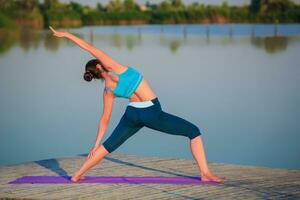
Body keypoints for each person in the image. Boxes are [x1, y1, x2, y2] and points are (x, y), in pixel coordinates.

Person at [49, 26, 225, 183]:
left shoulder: (107, 90)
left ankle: (77, 174)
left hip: (132, 115)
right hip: (152, 112)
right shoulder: (116, 67)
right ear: (100, 65)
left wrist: (96, 144)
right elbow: (89, 47)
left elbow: (105, 119)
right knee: (193, 132)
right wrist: (66, 34)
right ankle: (205, 173)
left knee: (107, 147)